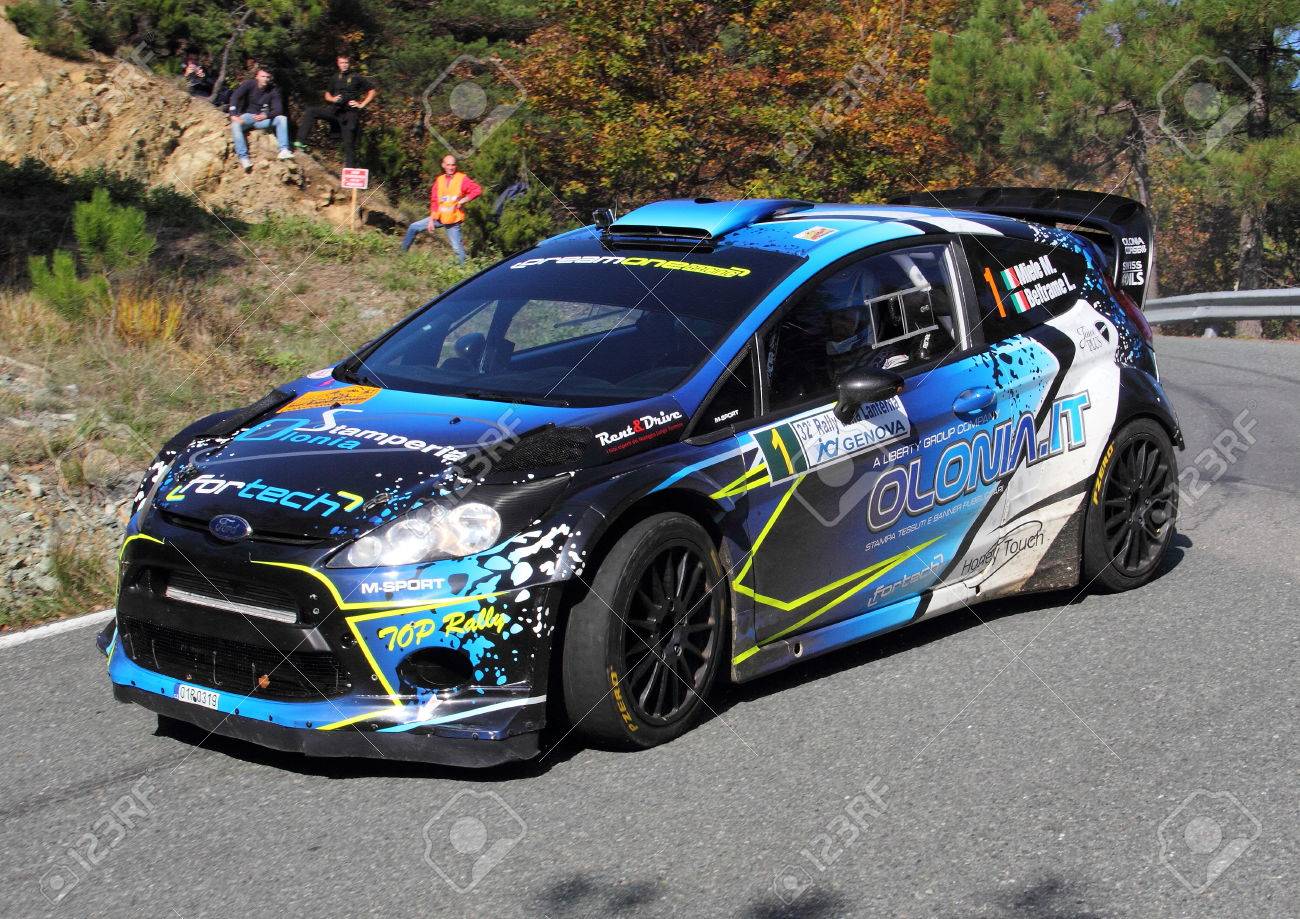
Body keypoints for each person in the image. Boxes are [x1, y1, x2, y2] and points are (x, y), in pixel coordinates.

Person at [293, 53, 376, 167]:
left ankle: (349, 175)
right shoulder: (335, 78)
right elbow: (327, 94)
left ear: (349, 63)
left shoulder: (356, 77)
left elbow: (372, 91)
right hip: (335, 110)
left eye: (346, 62)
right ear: (338, 64)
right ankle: (300, 141)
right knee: (311, 111)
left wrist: (361, 104)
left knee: (349, 144)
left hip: (349, 113)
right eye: (342, 63)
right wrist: (333, 99)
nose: (344, 65)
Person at [401, 155, 482, 263]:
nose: (451, 167)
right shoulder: (439, 180)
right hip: (438, 217)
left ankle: (465, 272)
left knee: (458, 249)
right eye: (448, 164)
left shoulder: (462, 179)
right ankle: (401, 255)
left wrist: (463, 200)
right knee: (413, 227)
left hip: (453, 220)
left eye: (453, 165)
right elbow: (435, 202)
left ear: (456, 166)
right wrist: (431, 220)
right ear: (443, 165)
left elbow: (477, 190)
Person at [228, 68, 293, 171]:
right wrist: (233, 114)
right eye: (263, 76)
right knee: (235, 125)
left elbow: (279, 110)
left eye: (267, 77)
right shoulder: (249, 84)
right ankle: (243, 157)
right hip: (248, 116)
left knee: (282, 119)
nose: (265, 79)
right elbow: (235, 97)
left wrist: (266, 116)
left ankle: (284, 150)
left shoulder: (273, 90)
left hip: (262, 120)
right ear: (257, 77)